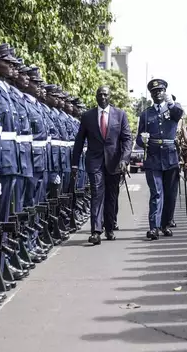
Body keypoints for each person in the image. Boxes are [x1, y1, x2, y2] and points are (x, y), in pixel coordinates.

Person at [72, 86, 132, 245]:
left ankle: (110, 227)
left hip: (114, 163)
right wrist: (74, 164)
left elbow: (127, 139)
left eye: (105, 94)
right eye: (100, 94)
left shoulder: (120, 115)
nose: (103, 97)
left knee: (112, 196)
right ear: (96, 97)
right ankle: (96, 231)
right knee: (97, 193)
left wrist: (125, 159)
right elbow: (79, 141)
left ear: (110, 96)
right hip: (95, 162)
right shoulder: (87, 116)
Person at [136, 79, 185, 240]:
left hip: (170, 156)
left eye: (160, 91)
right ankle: (154, 227)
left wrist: (171, 104)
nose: (158, 93)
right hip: (153, 157)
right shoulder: (146, 114)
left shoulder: (172, 110)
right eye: (154, 92)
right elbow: (138, 138)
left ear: (165, 92)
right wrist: (142, 141)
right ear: (151, 94)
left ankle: (165, 224)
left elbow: (179, 114)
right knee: (156, 193)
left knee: (170, 194)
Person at [165, 94, 187, 229]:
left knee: (172, 192)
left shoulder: (180, 121)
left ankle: (170, 217)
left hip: (175, 158)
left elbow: (186, 143)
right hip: (162, 157)